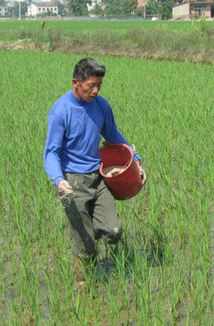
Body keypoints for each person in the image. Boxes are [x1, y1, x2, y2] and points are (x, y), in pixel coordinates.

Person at [43, 57, 144, 289]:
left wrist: (135, 159)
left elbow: (113, 136)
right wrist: (59, 180)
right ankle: (83, 284)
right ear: (75, 82)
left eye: (99, 85)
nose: (96, 90)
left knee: (114, 230)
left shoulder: (102, 106)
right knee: (83, 243)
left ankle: (89, 237)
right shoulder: (60, 111)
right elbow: (51, 153)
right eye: (91, 85)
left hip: (98, 179)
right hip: (72, 181)